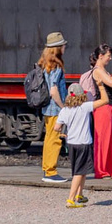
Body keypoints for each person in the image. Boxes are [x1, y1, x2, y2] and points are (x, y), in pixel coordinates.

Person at [83, 44, 112, 180]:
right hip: (102, 107)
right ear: (101, 56)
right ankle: (101, 170)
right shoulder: (98, 70)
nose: (110, 59)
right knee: (103, 140)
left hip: (109, 106)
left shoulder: (103, 70)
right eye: (108, 56)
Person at [56, 84, 98, 208]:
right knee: (79, 173)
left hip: (72, 143)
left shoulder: (64, 110)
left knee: (81, 170)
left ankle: (79, 194)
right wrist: (100, 86)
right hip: (83, 143)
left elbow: (56, 127)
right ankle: (70, 200)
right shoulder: (84, 107)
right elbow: (105, 101)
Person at [35, 33, 70, 184]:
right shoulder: (56, 67)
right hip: (55, 108)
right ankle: (50, 171)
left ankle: (47, 169)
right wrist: (63, 107)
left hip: (47, 109)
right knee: (55, 140)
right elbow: (54, 91)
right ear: (57, 48)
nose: (65, 47)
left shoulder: (45, 65)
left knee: (49, 139)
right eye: (63, 45)